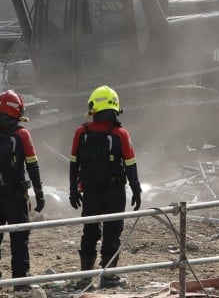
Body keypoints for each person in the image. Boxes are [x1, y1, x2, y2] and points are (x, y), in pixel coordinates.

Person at [68, 85, 142, 289]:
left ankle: (85, 277)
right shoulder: (121, 134)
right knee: (112, 233)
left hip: (90, 191)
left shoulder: (80, 132)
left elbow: (73, 163)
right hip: (114, 192)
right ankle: (108, 277)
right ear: (115, 108)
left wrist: (73, 190)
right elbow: (130, 164)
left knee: (89, 232)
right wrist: (136, 189)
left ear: (93, 107)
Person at [0, 90, 45, 292]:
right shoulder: (21, 134)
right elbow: (33, 165)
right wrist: (39, 192)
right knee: (19, 237)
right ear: (17, 110)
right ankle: (21, 282)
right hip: (16, 196)